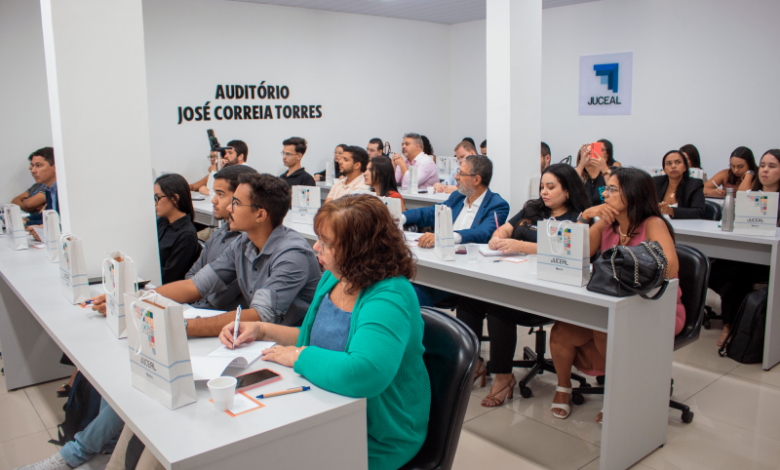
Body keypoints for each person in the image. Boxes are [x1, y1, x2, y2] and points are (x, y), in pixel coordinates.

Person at [549, 167, 685, 423]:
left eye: (612, 189)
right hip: (611, 303)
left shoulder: (653, 224)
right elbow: (574, 252)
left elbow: (670, 268)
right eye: (606, 189)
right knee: (561, 332)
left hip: (653, 306)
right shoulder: (608, 224)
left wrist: (631, 266)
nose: (605, 194)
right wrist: (585, 217)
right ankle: (563, 388)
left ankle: (619, 393)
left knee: (605, 329)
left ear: (633, 194)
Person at [458, 164, 591, 407]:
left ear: (568, 190)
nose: (544, 192)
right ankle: (473, 363)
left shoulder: (577, 219)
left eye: (551, 187)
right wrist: (498, 237)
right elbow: (506, 228)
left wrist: (521, 246)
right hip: (514, 279)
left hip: (547, 292)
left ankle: (503, 377)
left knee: (499, 307)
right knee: (469, 299)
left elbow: (566, 251)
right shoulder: (532, 209)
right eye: (542, 186)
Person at [152, 173, 321, 336]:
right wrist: (148, 298)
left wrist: (181, 327)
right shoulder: (243, 242)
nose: (229, 208)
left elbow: (260, 315)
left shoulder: (292, 254)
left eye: (236, 203)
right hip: (258, 338)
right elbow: (196, 286)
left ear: (260, 215)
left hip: (292, 344)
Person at [402, 155, 510, 306]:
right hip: (441, 262)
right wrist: (400, 217)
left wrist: (446, 237)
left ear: (476, 179)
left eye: (462, 173)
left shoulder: (497, 204)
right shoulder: (458, 197)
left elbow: (483, 232)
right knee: (398, 285)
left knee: (411, 293)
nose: (456, 177)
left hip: (466, 273)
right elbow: (430, 213)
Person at [710, 149, 780, 347]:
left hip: (770, 258)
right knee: (718, 267)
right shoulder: (751, 196)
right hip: (746, 252)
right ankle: (735, 319)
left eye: (772, 166)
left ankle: (729, 326)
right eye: (762, 165)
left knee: (736, 274)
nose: (764, 170)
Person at [185, 165, 259, 311]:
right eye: (214, 193)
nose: (213, 200)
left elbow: (218, 298)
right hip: (198, 308)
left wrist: (197, 289)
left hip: (219, 316)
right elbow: (191, 275)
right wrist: (197, 289)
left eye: (220, 194)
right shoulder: (220, 233)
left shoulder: (248, 243)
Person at [154, 174, 202, 285]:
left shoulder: (186, 235)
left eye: (158, 198)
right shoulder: (163, 221)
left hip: (166, 289)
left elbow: (169, 277)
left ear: (174, 198)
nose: (155, 203)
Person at [653, 150, 705, 219]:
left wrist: (672, 211)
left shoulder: (694, 184)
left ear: (685, 167)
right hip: (657, 223)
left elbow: (699, 212)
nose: (673, 166)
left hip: (684, 225)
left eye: (678, 162)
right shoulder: (655, 182)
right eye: (668, 163)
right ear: (664, 169)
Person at [13, 147, 55, 227]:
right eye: (32, 166)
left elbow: (57, 220)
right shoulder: (48, 188)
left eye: (38, 165)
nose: (32, 170)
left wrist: (27, 223)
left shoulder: (60, 190)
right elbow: (44, 216)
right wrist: (27, 220)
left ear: (54, 167)